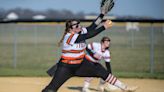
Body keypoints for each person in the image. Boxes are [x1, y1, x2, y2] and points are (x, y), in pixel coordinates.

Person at [42, 16, 137, 92]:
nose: (79, 26)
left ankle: (124, 87)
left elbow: (92, 26)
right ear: (70, 29)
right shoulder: (69, 37)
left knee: (101, 70)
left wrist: (102, 14)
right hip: (66, 67)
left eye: (79, 24)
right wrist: (104, 27)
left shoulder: (80, 31)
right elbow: (89, 35)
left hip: (81, 64)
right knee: (51, 89)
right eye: (76, 25)